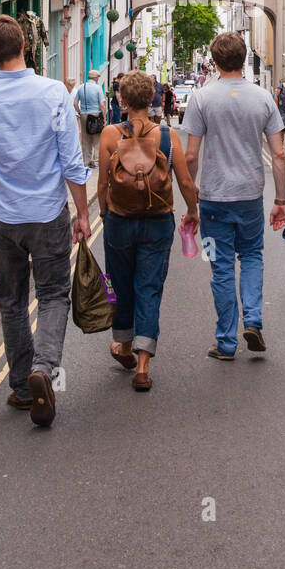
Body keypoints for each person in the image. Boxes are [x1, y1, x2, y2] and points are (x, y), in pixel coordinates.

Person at [0, 14, 91, 428]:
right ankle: (44, 368)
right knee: (54, 295)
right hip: (47, 213)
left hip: (2, 214)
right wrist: (84, 212)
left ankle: (22, 387)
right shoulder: (52, 91)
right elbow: (71, 161)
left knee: (12, 301)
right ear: (26, 43)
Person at [183, 32, 285, 359]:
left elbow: (189, 156)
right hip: (250, 198)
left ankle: (227, 342)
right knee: (253, 256)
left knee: (221, 266)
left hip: (214, 201)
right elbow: (280, 155)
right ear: (244, 60)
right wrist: (281, 200)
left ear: (214, 61)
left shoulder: (201, 98)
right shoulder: (263, 99)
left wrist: (190, 202)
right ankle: (253, 320)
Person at [99, 71, 199, 392]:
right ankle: (143, 365)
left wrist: (105, 213)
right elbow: (185, 182)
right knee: (149, 286)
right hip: (157, 221)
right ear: (152, 98)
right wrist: (193, 212)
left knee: (119, 283)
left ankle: (123, 346)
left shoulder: (109, 135)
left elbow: (103, 184)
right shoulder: (168, 137)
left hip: (119, 221)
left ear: (122, 100)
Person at [74, 70, 105, 167]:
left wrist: (79, 112)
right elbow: (102, 105)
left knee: (85, 139)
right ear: (96, 78)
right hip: (95, 115)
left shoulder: (81, 88)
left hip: (84, 115)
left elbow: (75, 103)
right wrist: (104, 117)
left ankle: (86, 161)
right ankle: (95, 161)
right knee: (97, 139)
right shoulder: (98, 88)